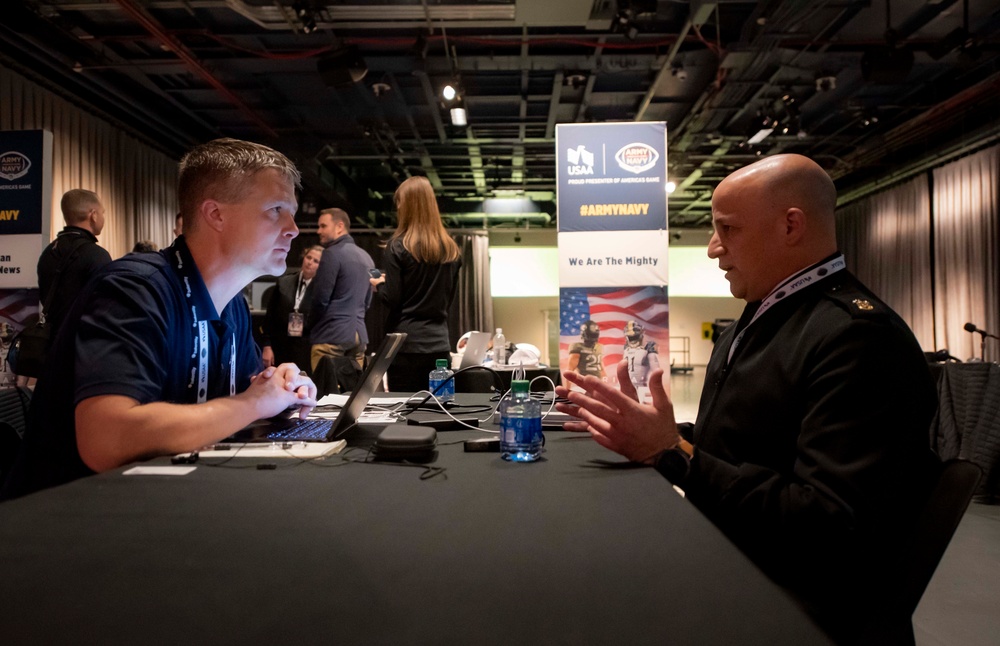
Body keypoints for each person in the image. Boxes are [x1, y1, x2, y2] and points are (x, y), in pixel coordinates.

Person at [555, 154, 939, 643]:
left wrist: (672, 451)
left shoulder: (856, 338)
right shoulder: (763, 321)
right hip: (739, 569)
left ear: (791, 226)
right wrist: (648, 429)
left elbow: (826, 528)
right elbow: (745, 446)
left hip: (795, 613)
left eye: (728, 229)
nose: (714, 248)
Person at [1, 138, 316, 501]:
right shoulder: (136, 289)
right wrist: (256, 403)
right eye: (276, 209)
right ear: (215, 214)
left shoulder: (231, 305)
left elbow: (242, 394)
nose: (293, 228)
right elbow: (107, 440)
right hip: (66, 524)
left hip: (163, 506)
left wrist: (284, 388)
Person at [370, 176, 462, 392]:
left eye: (400, 202)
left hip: (405, 348)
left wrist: (379, 285)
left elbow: (392, 299)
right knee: (440, 409)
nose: (398, 207)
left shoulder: (397, 247)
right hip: (439, 346)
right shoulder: (451, 250)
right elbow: (448, 300)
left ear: (409, 205)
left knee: (404, 414)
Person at [36, 189, 113, 343]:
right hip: (84, 347)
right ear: (93, 215)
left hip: (52, 348)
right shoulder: (97, 255)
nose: (103, 217)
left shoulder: (47, 253)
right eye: (102, 213)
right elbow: (106, 307)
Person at [307, 208, 375, 373]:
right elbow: (368, 300)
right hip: (359, 335)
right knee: (353, 395)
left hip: (331, 336)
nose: (319, 231)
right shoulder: (368, 258)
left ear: (339, 226)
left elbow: (321, 298)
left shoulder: (330, 254)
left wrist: (310, 326)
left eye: (323, 226)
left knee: (325, 394)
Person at [262, 245, 322, 374]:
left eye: (316, 261)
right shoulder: (284, 282)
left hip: (307, 349)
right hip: (281, 346)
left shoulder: (322, 290)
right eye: (308, 257)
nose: (310, 262)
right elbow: (270, 318)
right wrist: (267, 346)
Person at [622, 320, 659, 387]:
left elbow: (656, 371)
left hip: (642, 386)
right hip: (627, 385)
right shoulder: (626, 348)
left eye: (635, 336)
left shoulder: (649, 346)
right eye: (631, 337)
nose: (633, 339)